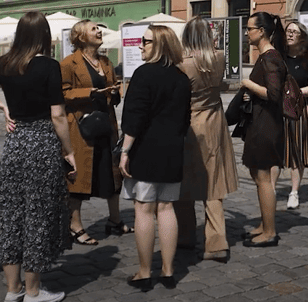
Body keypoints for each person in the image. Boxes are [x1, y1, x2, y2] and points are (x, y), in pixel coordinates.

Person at [0, 11, 75, 302]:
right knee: (38, 216)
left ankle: (13, 291)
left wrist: (1, 107)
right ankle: (34, 291)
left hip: (14, 145)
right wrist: (70, 150)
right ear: (44, 36)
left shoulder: (4, 63)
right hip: (41, 144)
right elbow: (58, 114)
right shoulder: (49, 66)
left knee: (12, 216)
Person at [118, 25, 191, 291]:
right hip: (172, 150)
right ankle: (169, 271)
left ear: (159, 44)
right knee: (167, 208)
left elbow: (134, 117)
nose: (140, 45)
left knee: (144, 209)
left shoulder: (143, 74)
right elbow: (185, 119)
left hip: (146, 149)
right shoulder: (181, 77)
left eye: (145, 41)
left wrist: (125, 151)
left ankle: (145, 271)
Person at [172, 17, 238, 263]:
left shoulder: (183, 64)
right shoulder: (219, 57)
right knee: (213, 183)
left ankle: (185, 236)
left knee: (184, 181)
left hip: (190, 124)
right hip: (215, 121)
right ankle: (216, 241)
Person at [60, 20, 131, 246]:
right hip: (82, 127)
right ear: (81, 36)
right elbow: (63, 94)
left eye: (99, 28)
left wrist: (114, 92)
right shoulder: (68, 64)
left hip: (106, 124)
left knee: (111, 174)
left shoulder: (105, 61)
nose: (99, 31)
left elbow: (114, 88)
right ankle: (75, 225)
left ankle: (115, 220)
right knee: (79, 177)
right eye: (93, 29)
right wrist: (90, 92)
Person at [239, 12, 287, 247]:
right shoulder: (265, 57)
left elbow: (274, 94)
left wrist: (249, 85)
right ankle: (264, 224)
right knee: (257, 176)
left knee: (264, 177)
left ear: (261, 31)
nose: (247, 33)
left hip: (267, 124)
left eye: (249, 29)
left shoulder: (270, 58)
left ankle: (270, 232)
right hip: (260, 122)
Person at [273, 20, 308, 210]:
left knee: (296, 153)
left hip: (300, 111)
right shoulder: (279, 57)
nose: (289, 34)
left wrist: (293, 92)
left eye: (294, 32)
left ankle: (294, 192)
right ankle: (270, 190)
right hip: (279, 110)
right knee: (276, 153)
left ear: (302, 37)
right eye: (288, 31)